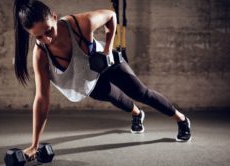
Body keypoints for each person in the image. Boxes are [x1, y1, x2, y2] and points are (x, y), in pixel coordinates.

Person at [13, 0, 191, 160]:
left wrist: (107, 49)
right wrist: (34, 145)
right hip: (87, 77)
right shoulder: (40, 55)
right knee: (116, 98)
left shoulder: (80, 23)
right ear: (30, 35)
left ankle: (181, 119)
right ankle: (137, 114)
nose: (48, 39)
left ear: (54, 16)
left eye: (49, 30)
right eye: (39, 36)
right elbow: (42, 99)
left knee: (140, 93)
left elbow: (111, 16)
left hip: (106, 64)